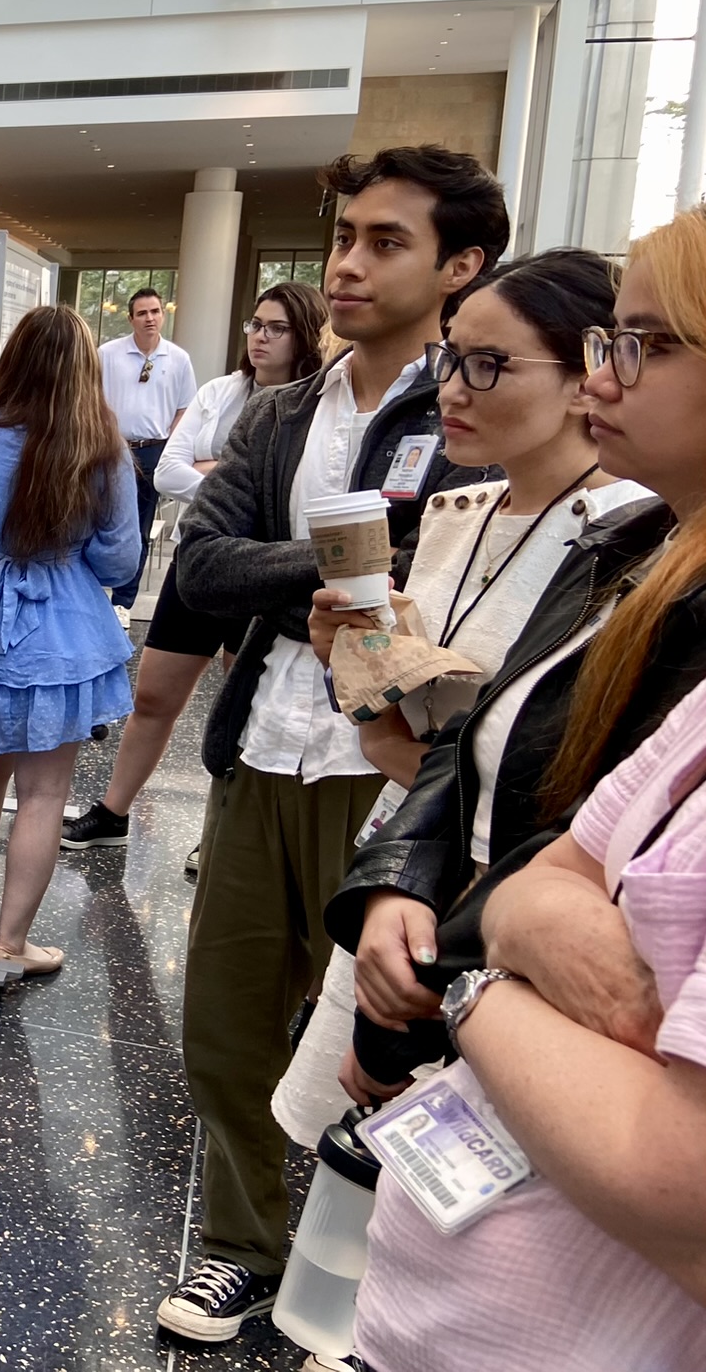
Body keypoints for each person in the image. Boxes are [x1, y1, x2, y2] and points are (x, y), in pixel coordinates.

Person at [157, 146, 507, 1344]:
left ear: (458, 266)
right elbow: (200, 571)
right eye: (343, 237)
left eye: (384, 243)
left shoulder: (474, 408)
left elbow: (466, 576)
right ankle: (240, 1247)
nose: (347, 264)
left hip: (401, 773)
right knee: (228, 1022)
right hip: (265, 745)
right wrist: (345, 558)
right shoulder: (280, 410)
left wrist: (338, 566)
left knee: (389, 1041)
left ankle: (375, 1286)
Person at [326, 205, 706, 1104]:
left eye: (643, 346)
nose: (603, 382)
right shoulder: (634, 548)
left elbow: (585, 861)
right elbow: (485, 753)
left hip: (528, 1042)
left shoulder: (617, 538)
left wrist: (464, 956)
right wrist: (400, 887)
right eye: (614, 343)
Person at [268, 247, 644, 1150]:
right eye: (449, 359)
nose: (453, 391)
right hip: (406, 861)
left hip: (506, 905)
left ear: (587, 373)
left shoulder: (631, 538)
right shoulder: (455, 515)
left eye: (489, 365)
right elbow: (399, 746)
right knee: (351, 1145)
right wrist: (357, 666)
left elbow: (539, 780)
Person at [343, 671, 706, 1368]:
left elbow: (678, 1186)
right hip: (413, 1327)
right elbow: (541, 876)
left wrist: (478, 993)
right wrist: (524, 937)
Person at [62, 281, 327, 853]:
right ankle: (112, 813)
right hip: (198, 561)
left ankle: (218, 837)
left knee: (241, 708)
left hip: (262, 573)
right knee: (153, 697)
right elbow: (167, 472)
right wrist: (239, 480)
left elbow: (288, 499)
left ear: (304, 335)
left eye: (276, 328)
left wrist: (222, 474)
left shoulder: (315, 406)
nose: (260, 337)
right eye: (255, 325)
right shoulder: (220, 392)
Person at [0, 305, 141, 974]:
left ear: (12, 360)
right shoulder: (102, 447)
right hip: (66, 633)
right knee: (44, 793)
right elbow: (119, 562)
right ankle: (12, 945)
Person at [97, 286, 197, 616]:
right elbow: (90, 398)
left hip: (152, 452)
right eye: (142, 313)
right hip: (110, 449)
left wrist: (169, 443)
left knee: (137, 529)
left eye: (155, 311)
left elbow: (185, 408)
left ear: (163, 315)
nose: (149, 318)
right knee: (98, 518)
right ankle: (92, 594)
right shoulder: (107, 354)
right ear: (131, 319)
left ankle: (122, 603)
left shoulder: (178, 359)